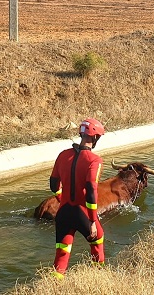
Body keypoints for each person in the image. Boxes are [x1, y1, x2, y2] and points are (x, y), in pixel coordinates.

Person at [48, 118, 107, 279]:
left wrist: (62, 200)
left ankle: (55, 285)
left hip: (63, 213)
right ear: (95, 138)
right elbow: (90, 190)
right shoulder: (95, 161)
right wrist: (93, 220)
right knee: (97, 242)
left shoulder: (63, 155)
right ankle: (98, 278)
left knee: (62, 253)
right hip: (82, 214)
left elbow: (54, 185)